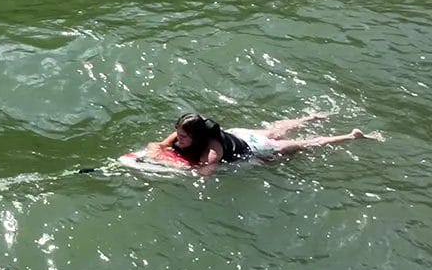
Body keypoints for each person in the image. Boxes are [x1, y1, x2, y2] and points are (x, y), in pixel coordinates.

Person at [147, 111, 382, 175]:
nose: (180, 138)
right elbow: (158, 145)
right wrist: (158, 152)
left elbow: (205, 173)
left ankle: (351, 136)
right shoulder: (184, 133)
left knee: (299, 145)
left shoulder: (212, 152)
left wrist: (173, 166)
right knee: (273, 130)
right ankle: (309, 117)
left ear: (197, 136)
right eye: (179, 134)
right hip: (239, 135)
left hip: (253, 149)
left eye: (185, 136)